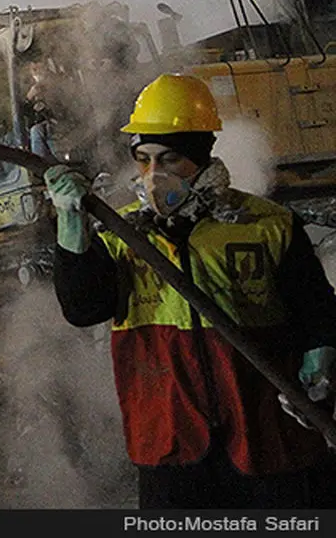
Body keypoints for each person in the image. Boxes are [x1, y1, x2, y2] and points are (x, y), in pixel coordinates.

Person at [43, 72, 336, 509]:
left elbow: (319, 315)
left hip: (269, 440)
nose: (153, 174)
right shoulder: (122, 236)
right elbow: (84, 309)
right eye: (143, 160)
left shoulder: (265, 225)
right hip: (171, 444)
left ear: (202, 155)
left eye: (170, 159)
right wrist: (69, 224)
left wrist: (322, 371)